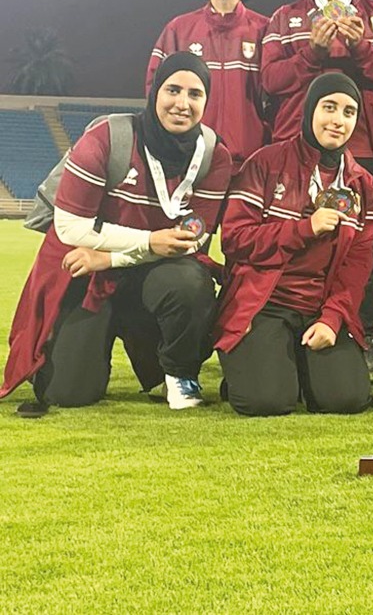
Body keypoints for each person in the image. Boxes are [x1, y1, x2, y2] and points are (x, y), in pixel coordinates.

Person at [2, 54, 233, 410]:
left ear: (206, 101)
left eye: (195, 94)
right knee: (68, 394)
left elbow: (194, 239)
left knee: (190, 283)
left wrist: (111, 256)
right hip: (88, 272)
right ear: (155, 91)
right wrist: (147, 241)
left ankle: (180, 374)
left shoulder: (214, 155)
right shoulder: (107, 138)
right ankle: (65, 350)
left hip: (141, 268)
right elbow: (70, 227)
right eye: (173, 89)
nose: (182, 104)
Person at [261, 0, 373, 353]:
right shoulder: (286, 18)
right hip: (298, 151)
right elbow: (268, 80)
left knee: (363, 246)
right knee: (299, 238)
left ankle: (359, 339)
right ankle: (283, 331)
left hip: (365, 149)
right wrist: (313, 51)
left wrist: (361, 48)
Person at [213, 74, 373, 416]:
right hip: (265, 304)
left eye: (349, 112)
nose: (338, 120)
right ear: (309, 111)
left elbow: (358, 267)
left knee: (345, 400)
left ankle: (295, 366)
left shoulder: (364, 185)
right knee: (265, 402)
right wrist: (304, 229)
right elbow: (234, 239)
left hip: (320, 309)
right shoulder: (266, 162)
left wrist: (333, 319)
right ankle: (257, 363)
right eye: (329, 107)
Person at [147, 0, 269, 166]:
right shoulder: (179, 29)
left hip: (251, 159)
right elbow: (155, 89)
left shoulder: (265, 29)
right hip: (190, 159)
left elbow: (278, 91)